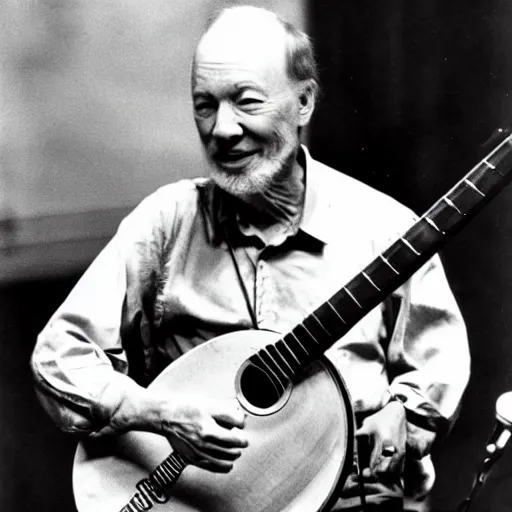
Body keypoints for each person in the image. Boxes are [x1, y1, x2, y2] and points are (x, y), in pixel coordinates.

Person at [30, 5, 470, 511]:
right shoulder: (166, 223)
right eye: (204, 105)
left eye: (246, 102)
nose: (221, 129)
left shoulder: (387, 229)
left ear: (303, 102)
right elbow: (57, 356)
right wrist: (157, 412)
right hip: (200, 500)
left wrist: (406, 419)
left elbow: (433, 376)